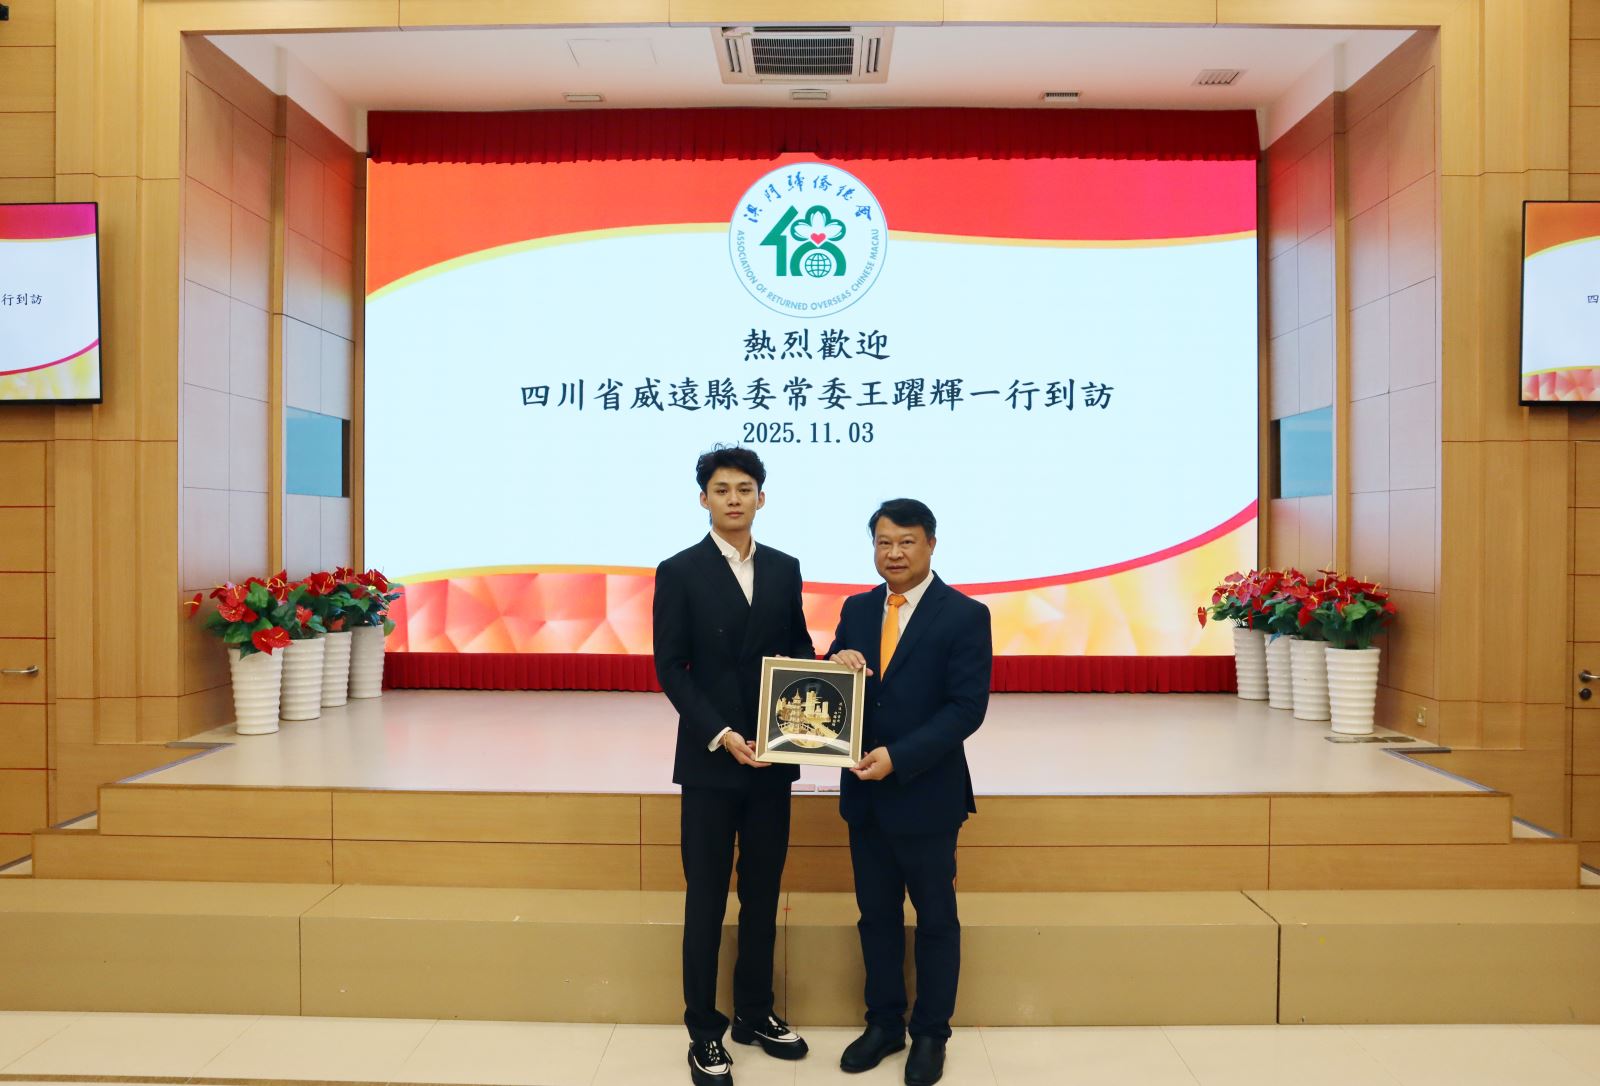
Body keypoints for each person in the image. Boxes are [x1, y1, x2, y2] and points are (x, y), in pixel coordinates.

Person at [653, 446, 817, 1086]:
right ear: (704, 499)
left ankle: (755, 1011)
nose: (733, 499)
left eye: (744, 488)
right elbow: (672, 667)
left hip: (772, 760)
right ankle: (704, 1031)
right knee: (706, 898)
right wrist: (721, 733)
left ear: (761, 498)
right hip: (712, 761)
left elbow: (796, 647)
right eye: (721, 489)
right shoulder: (679, 570)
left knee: (763, 893)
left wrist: (832, 673)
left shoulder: (784, 567)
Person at [826, 498, 992, 1086]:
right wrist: (836, 661)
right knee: (875, 916)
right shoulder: (856, 608)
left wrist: (899, 757)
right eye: (883, 542)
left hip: (926, 794)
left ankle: (930, 1033)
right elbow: (837, 691)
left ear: (931, 545)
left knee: (936, 919)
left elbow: (966, 708)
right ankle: (884, 1024)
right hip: (864, 795)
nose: (893, 553)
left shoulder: (965, 615)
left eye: (906, 542)